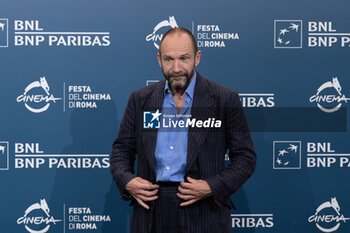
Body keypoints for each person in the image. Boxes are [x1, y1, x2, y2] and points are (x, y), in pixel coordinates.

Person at [110, 27, 257, 233]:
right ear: (159, 60)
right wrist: (127, 180)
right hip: (151, 212)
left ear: (197, 58)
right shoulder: (140, 99)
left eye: (184, 58)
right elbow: (121, 151)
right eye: (169, 59)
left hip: (204, 212)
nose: (176, 67)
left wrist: (213, 187)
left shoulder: (224, 99)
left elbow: (245, 157)